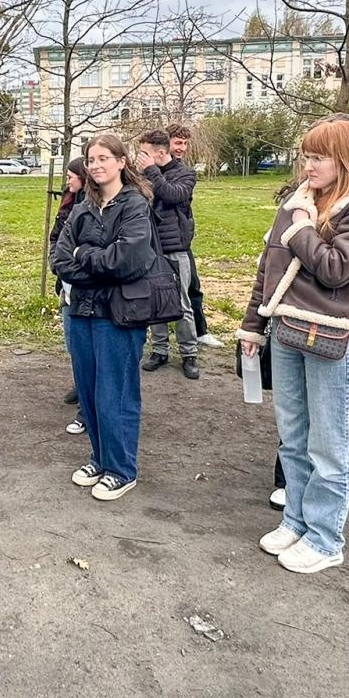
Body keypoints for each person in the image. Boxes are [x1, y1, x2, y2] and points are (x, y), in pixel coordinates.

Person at [239, 116, 349, 574]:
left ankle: (325, 538)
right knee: (294, 437)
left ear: (342, 160)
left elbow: (336, 269)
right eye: (306, 155)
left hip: (329, 334)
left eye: (319, 157)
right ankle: (296, 519)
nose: (309, 166)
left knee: (328, 442)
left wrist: (302, 227)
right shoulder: (298, 201)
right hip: (284, 329)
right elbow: (270, 265)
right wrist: (252, 325)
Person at [49, 133, 158, 502]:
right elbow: (60, 260)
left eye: (102, 158)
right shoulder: (82, 207)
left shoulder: (134, 205)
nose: (95, 165)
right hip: (80, 310)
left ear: (121, 162)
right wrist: (94, 261)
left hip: (118, 314)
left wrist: (86, 256)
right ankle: (99, 457)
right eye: (90, 159)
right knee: (91, 390)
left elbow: (127, 260)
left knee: (117, 392)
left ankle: (121, 468)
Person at [136, 130, 200, 380]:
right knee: (155, 303)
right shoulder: (144, 174)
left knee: (182, 304)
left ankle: (189, 354)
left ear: (160, 153)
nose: (141, 158)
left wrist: (152, 171)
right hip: (150, 249)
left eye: (145, 153)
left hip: (176, 249)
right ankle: (159, 350)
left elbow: (174, 195)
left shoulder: (186, 174)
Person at [167, 124, 222, 347]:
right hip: (158, 237)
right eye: (178, 142)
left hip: (180, 236)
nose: (182, 148)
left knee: (192, 285)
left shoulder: (184, 172)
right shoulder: (152, 171)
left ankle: (199, 331)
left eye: (185, 143)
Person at [50, 158, 89, 420]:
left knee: (86, 345)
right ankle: (80, 383)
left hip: (84, 285)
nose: (68, 181)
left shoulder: (90, 206)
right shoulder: (68, 202)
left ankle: (87, 402)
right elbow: (56, 238)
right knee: (72, 343)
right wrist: (57, 264)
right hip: (66, 285)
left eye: (71, 176)